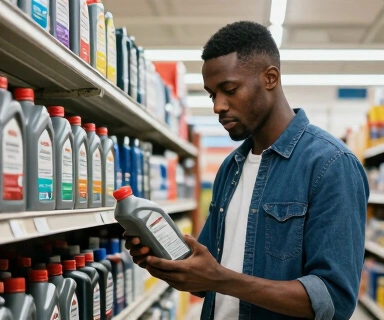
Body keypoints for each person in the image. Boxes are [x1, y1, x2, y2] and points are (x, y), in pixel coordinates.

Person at [125, 21, 369, 320]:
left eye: (229, 89)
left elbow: (334, 300)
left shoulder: (330, 164)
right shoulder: (231, 167)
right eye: (211, 94)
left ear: (270, 78)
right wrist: (167, 262)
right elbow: (205, 281)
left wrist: (220, 279)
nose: (217, 106)